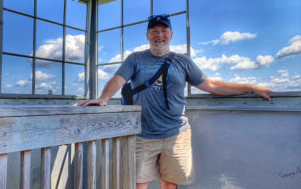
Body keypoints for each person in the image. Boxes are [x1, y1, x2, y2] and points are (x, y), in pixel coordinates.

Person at [79, 14, 274, 189]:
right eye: (154, 31)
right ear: (147, 35)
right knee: (138, 183)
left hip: (176, 134)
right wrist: (103, 98)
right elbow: (118, 79)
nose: (159, 35)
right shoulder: (135, 59)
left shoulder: (183, 61)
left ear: (171, 34)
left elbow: (212, 85)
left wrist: (249, 87)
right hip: (142, 135)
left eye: (164, 31)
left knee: (170, 183)